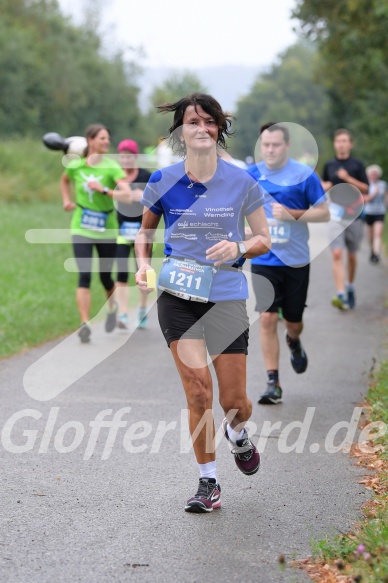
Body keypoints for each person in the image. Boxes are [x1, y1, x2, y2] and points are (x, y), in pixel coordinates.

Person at [135, 93, 271, 513]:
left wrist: (239, 246)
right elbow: (144, 233)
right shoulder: (163, 181)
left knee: (236, 403)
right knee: (198, 393)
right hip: (178, 296)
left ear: (217, 129)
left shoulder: (242, 182)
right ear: (180, 131)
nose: (200, 128)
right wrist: (143, 265)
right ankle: (207, 482)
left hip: (226, 296)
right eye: (191, 121)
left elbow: (264, 238)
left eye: (208, 121)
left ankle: (238, 434)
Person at [247, 122, 330, 405]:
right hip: (263, 258)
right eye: (266, 145)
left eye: (276, 145)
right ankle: (273, 382)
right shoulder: (251, 176)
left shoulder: (303, 175)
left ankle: (294, 341)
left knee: (293, 322)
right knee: (268, 317)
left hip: (295, 261)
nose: (270, 150)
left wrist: (293, 214)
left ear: (287, 146)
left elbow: (324, 214)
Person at [60, 124, 131, 343]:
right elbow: (64, 180)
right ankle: (85, 323)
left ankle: (112, 310)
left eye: (107, 139)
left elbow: (127, 195)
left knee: (104, 276)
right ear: (90, 140)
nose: (106, 142)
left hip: (107, 229)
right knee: (84, 275)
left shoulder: (112, 167)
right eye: (102, 138)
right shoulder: (76, 166)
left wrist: (104, 190)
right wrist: (67, 200)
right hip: (81, 226)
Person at [321, 129, 369, 310]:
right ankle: (340, 294)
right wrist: (324, 186)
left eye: (344, 141)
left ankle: (350, 286)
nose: (341, 144)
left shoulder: (357, 164)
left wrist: (348, 178)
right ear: (334, 143)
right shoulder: (329, 165)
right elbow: (325, 186)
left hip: (354, 216)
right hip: (335, 215)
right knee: (337, 253)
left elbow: (366, 189)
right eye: (338, 141)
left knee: (351, 255)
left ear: (350, 144)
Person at [115, 140, 152, 329]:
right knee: (120, 272)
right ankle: (122, 313)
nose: (125, 159)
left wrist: (144, 196)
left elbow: (159, 197)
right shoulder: (116, 177)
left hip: (144, 232)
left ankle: (143, 309)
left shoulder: (147, 176)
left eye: (129, 156)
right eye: (122, 156)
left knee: (146, 272)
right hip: (123, 231)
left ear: (135, 157)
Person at [364, 164, 387, 264]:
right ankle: (372, 251)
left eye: (375, 174)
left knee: (378, 233)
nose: (373, 175)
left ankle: (376, 254)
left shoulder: (383, 184)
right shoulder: (366, 185)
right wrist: (374, 193)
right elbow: (365, 199)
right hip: (369, 212)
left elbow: (386, 197)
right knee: (370, 234)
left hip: (380, 211)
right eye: (372, 174)